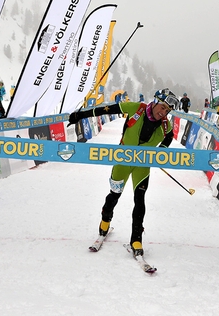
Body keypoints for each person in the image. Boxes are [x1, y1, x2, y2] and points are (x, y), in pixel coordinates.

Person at [68, 88, 178, 257]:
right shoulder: (137, 108)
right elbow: (108, 109)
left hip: (142, 166)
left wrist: (160, 152)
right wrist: (80, 115)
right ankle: (104, 224)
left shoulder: (165, 124)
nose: (163, 113)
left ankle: (136, 239)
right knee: (114, 196)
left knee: (139, 201)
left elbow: (169, 137)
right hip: (123, 162)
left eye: (167, 110)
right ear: (155, 101)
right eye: (162, 107)